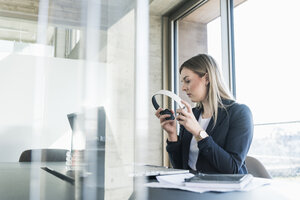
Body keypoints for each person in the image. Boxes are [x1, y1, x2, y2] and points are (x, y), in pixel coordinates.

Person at [155, 54, 253, 174]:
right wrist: (172, 135)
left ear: (207, 78)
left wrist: (198, 132)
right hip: (192, 187)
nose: (183, 88)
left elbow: (232, 168)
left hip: (224, 190)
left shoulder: (239, 113)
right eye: (182, 82)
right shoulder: (193, 115)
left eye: (187, 81)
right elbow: (181, 167)